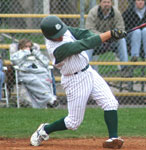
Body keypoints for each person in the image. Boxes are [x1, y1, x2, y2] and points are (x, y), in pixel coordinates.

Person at [30, 15, 126, 149]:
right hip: (74, 80)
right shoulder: (56, 49)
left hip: (88, 72)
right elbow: (83, 44)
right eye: (57, 35)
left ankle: (113, 138)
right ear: (50, 36)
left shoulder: (62, 30)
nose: (61, 35)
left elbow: (83, 34)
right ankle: (45, 130)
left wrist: (106, 38)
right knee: (73, 122)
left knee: (110, 103)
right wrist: (109, 34)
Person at [10, 39, 57, 108]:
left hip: (40, 72)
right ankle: (51, 99)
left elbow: (46, 63)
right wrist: (25, 53)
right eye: (26, 46)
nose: (28, 48)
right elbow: (15, 61)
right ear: (21, 47)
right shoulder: (17, 54)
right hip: (26, 72)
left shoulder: (36, 53)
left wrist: (36, 54)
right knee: (36, 81)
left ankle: (46, 102)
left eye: (30, 47)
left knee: (44, 81)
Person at [85, 0, 129, 72]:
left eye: (108, 2)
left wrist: (111, 35)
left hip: (112, 40)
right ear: (100, 3)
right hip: (98, 40)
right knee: (89, 40)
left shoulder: (116, 13)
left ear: (111, 3)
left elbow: (121, 29)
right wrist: (103, 36)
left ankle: (125, 69)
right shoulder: (93, 12)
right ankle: (86, 69)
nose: (106, 4)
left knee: (122, 40)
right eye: (104, 2)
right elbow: (89, 29)